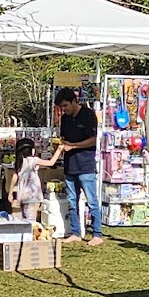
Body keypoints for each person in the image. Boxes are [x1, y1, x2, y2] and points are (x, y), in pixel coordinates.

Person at [51, 85, 104, 244]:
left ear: (74, 101)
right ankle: (75, 232)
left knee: (91, 201)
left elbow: (93, 140)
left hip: (85, 165)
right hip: (69, 165)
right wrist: (60, 145)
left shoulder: (88, 115)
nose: (64, 109)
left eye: (66, 106)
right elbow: (65, 138)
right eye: (61, 107)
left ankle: (97, 234)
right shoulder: (65, 119)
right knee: (72, 201)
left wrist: (73, 146)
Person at [10, 137, 51, 226]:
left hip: (21, 195)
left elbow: (14, 177)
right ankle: (30, 236)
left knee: (23, 217)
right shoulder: (34, 160)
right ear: (32, 150)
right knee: (30, 220)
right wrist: (59, 150)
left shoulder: (18, 162)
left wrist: (10, 193)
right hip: (32, 195)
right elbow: (51, 163)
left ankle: (24, 234)